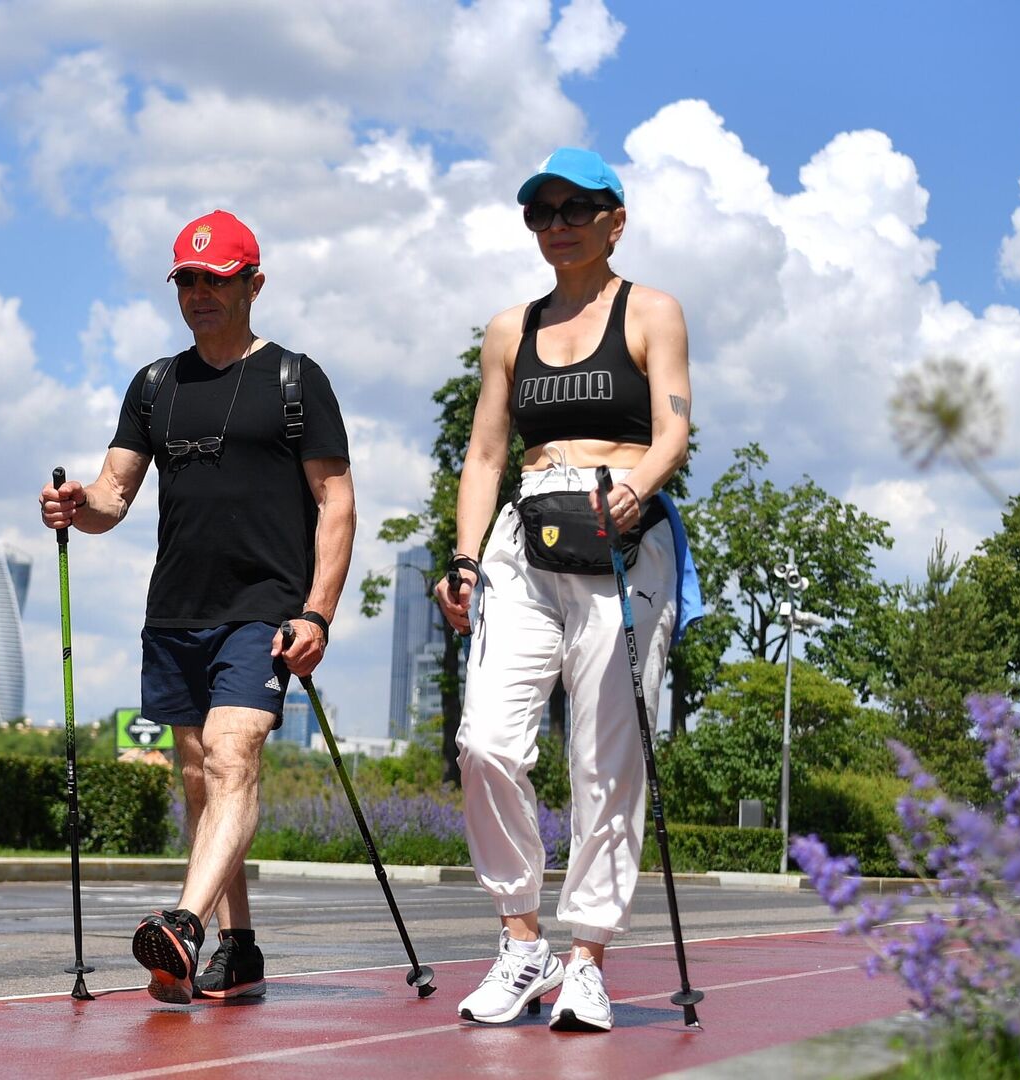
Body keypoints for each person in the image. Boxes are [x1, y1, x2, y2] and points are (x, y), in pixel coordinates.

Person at [41, 209, 355, 1005]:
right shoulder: (155, 386)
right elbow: (114, 494)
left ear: (253, 284)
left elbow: (337, 501)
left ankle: (185, 924)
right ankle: (241, 946)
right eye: (187, 279)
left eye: (214, 280)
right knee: (199, 780)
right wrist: (79, 505)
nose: (199, 294)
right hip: (176, 611)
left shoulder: (294, 379)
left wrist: (317, 612)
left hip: (264, 610)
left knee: (231, 756)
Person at [437, 148, 702, 1033]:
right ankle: (522, 941)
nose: (557, 226)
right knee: (485, 743)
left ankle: (586, 955)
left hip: (624, 541)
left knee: (605, 759)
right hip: (528, 538)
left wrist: (641, 488)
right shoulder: (510, 329)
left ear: (613, 220)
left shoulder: (651, 310)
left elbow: (673, 428)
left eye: (575, 210)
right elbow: (483, 454)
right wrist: (466, 557)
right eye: (541, 213)